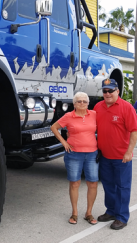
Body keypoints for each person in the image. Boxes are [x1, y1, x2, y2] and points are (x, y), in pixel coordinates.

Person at [94, 78, 137, 230]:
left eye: (110, 90)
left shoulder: (127, 108)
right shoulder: (98, 107)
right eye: (105, 91)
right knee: (108, 186)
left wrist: (129, 152)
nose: (107, 94)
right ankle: (111, 211)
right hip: (104, 156)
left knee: (122, 187)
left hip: (121, 157)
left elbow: (134, 131)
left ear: (117, 91)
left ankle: (122, 217)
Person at [51, 92, 98, 225]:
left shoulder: (94, 114)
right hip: (74, 154)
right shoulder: (68, 116)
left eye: (84, 101)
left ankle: (89, 213)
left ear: (88, 103)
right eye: (79, 101)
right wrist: (64, 142)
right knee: (74, 183)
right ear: (74, 103)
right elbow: (54, 127)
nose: (82, 103)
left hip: (92, 154)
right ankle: (75, 213)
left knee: (93, 183)